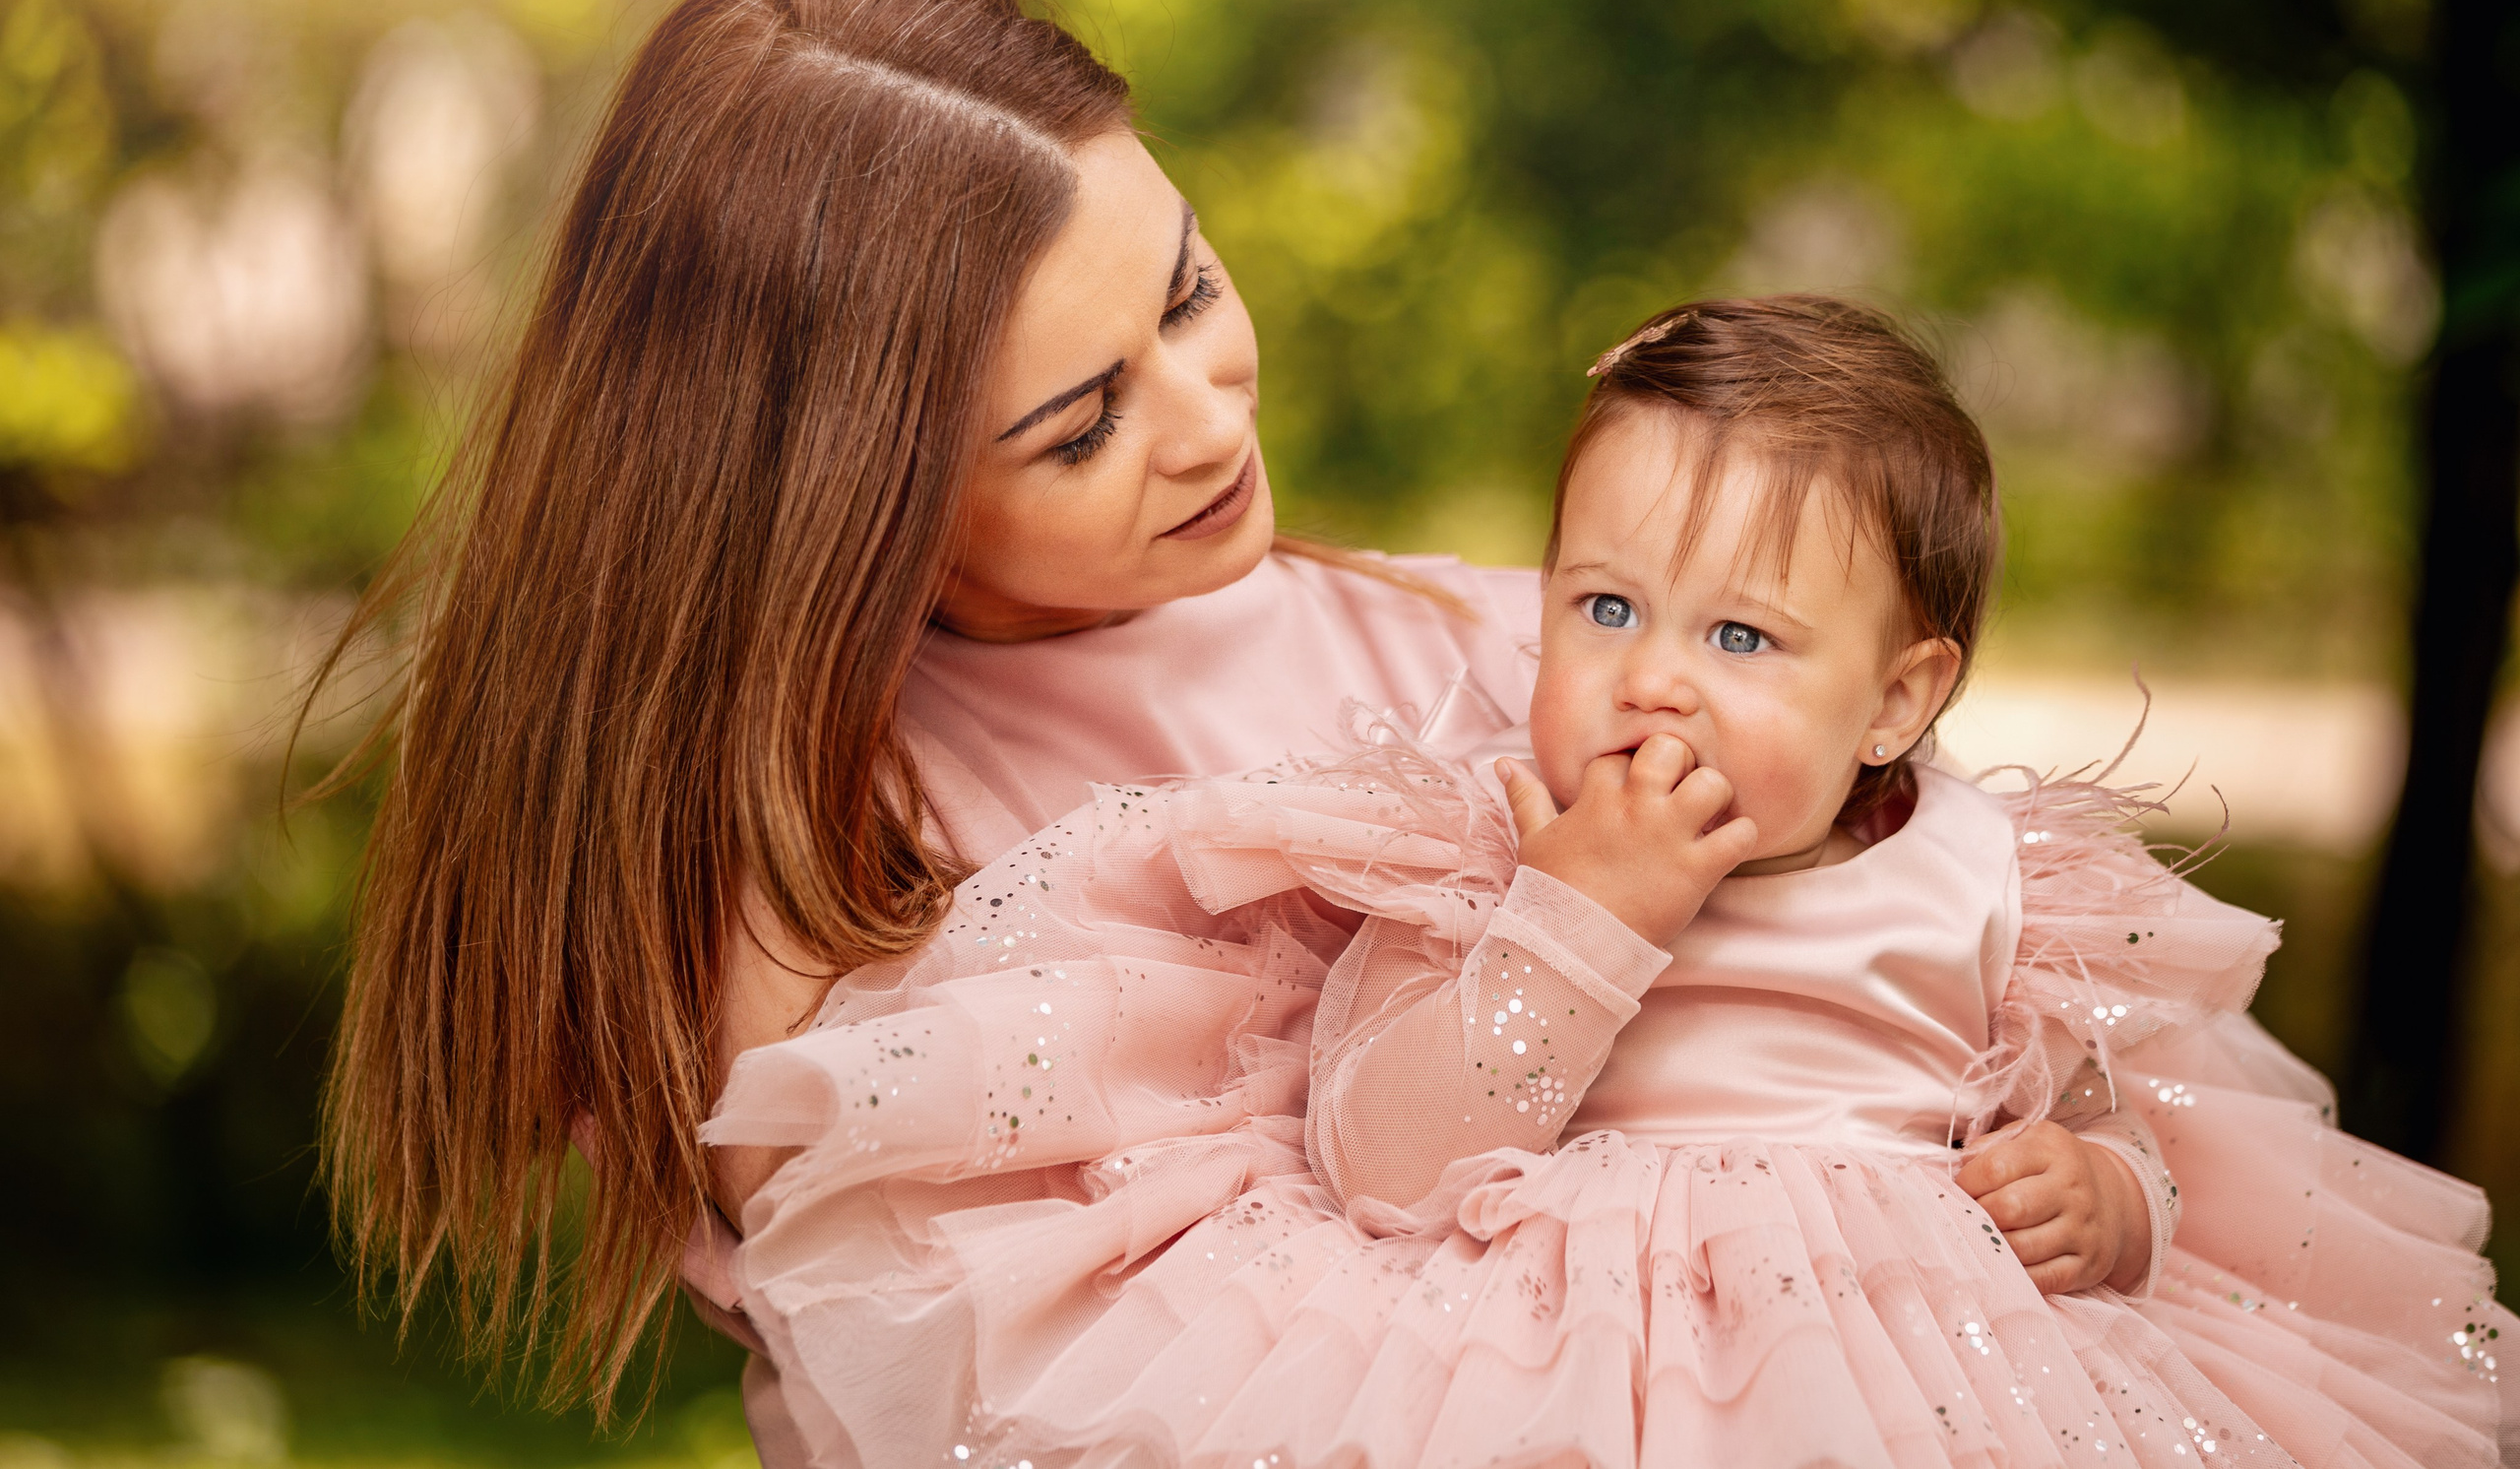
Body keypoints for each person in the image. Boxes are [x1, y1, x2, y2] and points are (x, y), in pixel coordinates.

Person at [708, 297, 2514, 1466]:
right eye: (1603, 606)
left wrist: (2104, 1196)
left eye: (1741, 633)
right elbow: (1384, 1153)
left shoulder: (1980, 866)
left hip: (1916, 1366)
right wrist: (1583, 912)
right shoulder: (1485, 836)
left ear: (1901, 698)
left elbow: (2089, 1114)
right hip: (1557, 1359)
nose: (1652, 674)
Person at [310, 0, 1541, 1449]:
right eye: (1080, 427)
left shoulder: (1486, 642)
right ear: (860, 504)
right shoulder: (831, 885)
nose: (1208, 420)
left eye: (1190, 292)